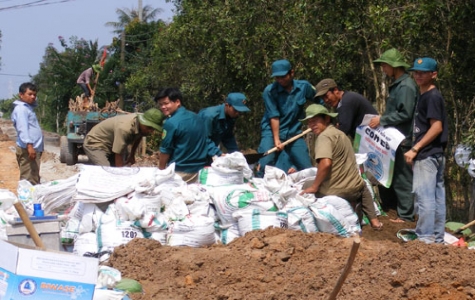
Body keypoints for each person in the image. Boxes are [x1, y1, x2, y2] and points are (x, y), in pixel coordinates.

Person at [300, 104, 383, 230]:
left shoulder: (324, 137)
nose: (312, 125)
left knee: (306, 186)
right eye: (309, 122)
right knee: (362, 185)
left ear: (327, 119)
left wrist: (314, 186)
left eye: (315, 121)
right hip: (355, 189)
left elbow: (325, 163)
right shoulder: (341, 134)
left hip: (337, 191)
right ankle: (375, 221)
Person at [369, 48, 418, 223]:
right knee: (389, 175)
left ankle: (405, 215)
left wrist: (383, 119)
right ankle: (393, 209)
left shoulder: (406, 86)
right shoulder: (399, 84)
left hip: (403, 139)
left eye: (384, 65)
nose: (383, 69)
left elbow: (405, 113)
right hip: (394, 139)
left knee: (402, 177)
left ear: (393, 66)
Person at [404, 57, 448, 244]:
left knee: (425, 198)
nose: (418, 75)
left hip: (427, 154)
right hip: (435, 153)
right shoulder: (428, 96)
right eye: (416, 71)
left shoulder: (431, 97)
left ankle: (425, 238)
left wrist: (415, 148)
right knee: (437, 197)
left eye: (423, 72)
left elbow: (436, 127)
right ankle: (437, 238)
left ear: (434, 74)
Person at [257, 59, 316, 177]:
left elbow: (319, 102)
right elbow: (273, 116)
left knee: (306, 167)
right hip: (272, 131)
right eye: (277, 78)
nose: (280, 80)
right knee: (265, 163)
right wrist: (276, 139)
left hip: (294, 132)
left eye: (283, 77)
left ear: (292, 73)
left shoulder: (304, 87)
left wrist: (316, 120)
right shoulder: (270, 91)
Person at [155, 87, 220, 183]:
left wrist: (161, 172)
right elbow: (205, 140)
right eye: (160, 104)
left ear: (177, 102)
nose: (163, 107)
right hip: (200, 170)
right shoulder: (196, 117)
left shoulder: (171, 123)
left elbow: (165, 150)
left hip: (180, 172)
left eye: (166, 103)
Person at [83, 108, 164, 167]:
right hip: (95, 143)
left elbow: (139, 137)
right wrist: (121, 176)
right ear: (142, 121)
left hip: (111, 145)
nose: (150, 131)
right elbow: (118, 153)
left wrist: (132, 155)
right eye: (149, 128)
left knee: (115, 170)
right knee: (106, 170)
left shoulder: (141, 127)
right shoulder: (124, 128)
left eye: (153, 129)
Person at [11, 82, 44, 185]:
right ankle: (27, 200)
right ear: (21, 95)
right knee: (28, 180)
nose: (33, 97)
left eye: (34, 94)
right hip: (28, 149)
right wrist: (29, 146)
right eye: (29, 94)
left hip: (33, 148)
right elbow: (23, 129)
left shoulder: (27, 108)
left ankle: (32, 199)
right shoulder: (21, 109)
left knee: (34, 177)